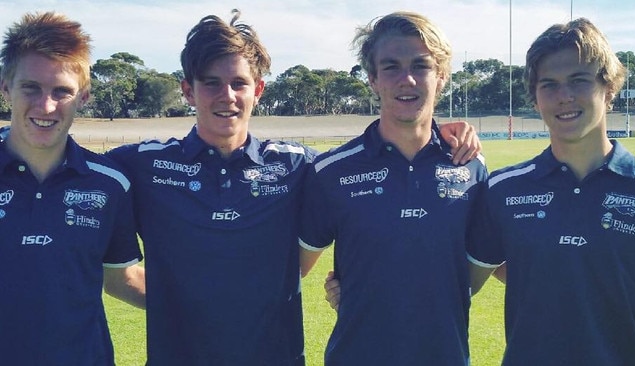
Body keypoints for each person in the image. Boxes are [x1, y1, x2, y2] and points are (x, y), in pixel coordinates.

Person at [106, 9, 482, 365]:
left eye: (239, 83)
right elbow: (71, 168)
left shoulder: (298, 165)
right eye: (211, 83)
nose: (227, 96)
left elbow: (364, 170)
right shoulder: (141, 164)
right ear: (188, 91)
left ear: (259, 90)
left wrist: (444, 132)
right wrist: (178, 301)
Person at [298, 11, 488, 365]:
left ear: (442, 77)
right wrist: (353, 289)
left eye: (421, 66)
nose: (407, 79)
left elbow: (485, 265)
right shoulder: (332, 171)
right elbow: (292, 269)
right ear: (372, 79)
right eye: (391, 67)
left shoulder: (471, 166)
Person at [467, 18, 635, 365]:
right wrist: (359, 285)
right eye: (549, 84)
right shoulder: (502, 190)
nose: (564, 96)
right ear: (535, 99)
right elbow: (457, 285)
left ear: (609, 88)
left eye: (579, 80)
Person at [0, 11, 145, 365]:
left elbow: (121, 277)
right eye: (30, 87)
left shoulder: (110, 183)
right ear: (6, 87)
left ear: (83, 96)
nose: (46, 106)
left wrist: (211, 303)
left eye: (62, 91)